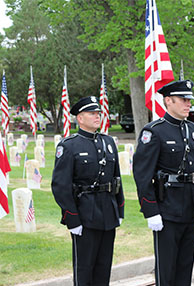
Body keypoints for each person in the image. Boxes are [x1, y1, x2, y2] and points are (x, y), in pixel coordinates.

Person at [133, 80, 194, 286]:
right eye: (183, 99)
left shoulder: (192, 130)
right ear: (168, 101)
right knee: (167, 269)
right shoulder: (154, 131)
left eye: (189, 100)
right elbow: (142, 176)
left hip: (190, 208)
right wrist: (151, 211)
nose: (188, 104)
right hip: (167, 209)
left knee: (185, 267)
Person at [51, 96, 124, 286]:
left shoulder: (108, 142)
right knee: (84, 268)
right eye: (92, 113)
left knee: (103, 267)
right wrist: (72, 218)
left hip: (108, 212)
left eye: (98, 113)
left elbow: (117, 179)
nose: (97, 116)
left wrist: (120, 209)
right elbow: (60, 186)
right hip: (85, 215)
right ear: (80, 118)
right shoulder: (69, 146)